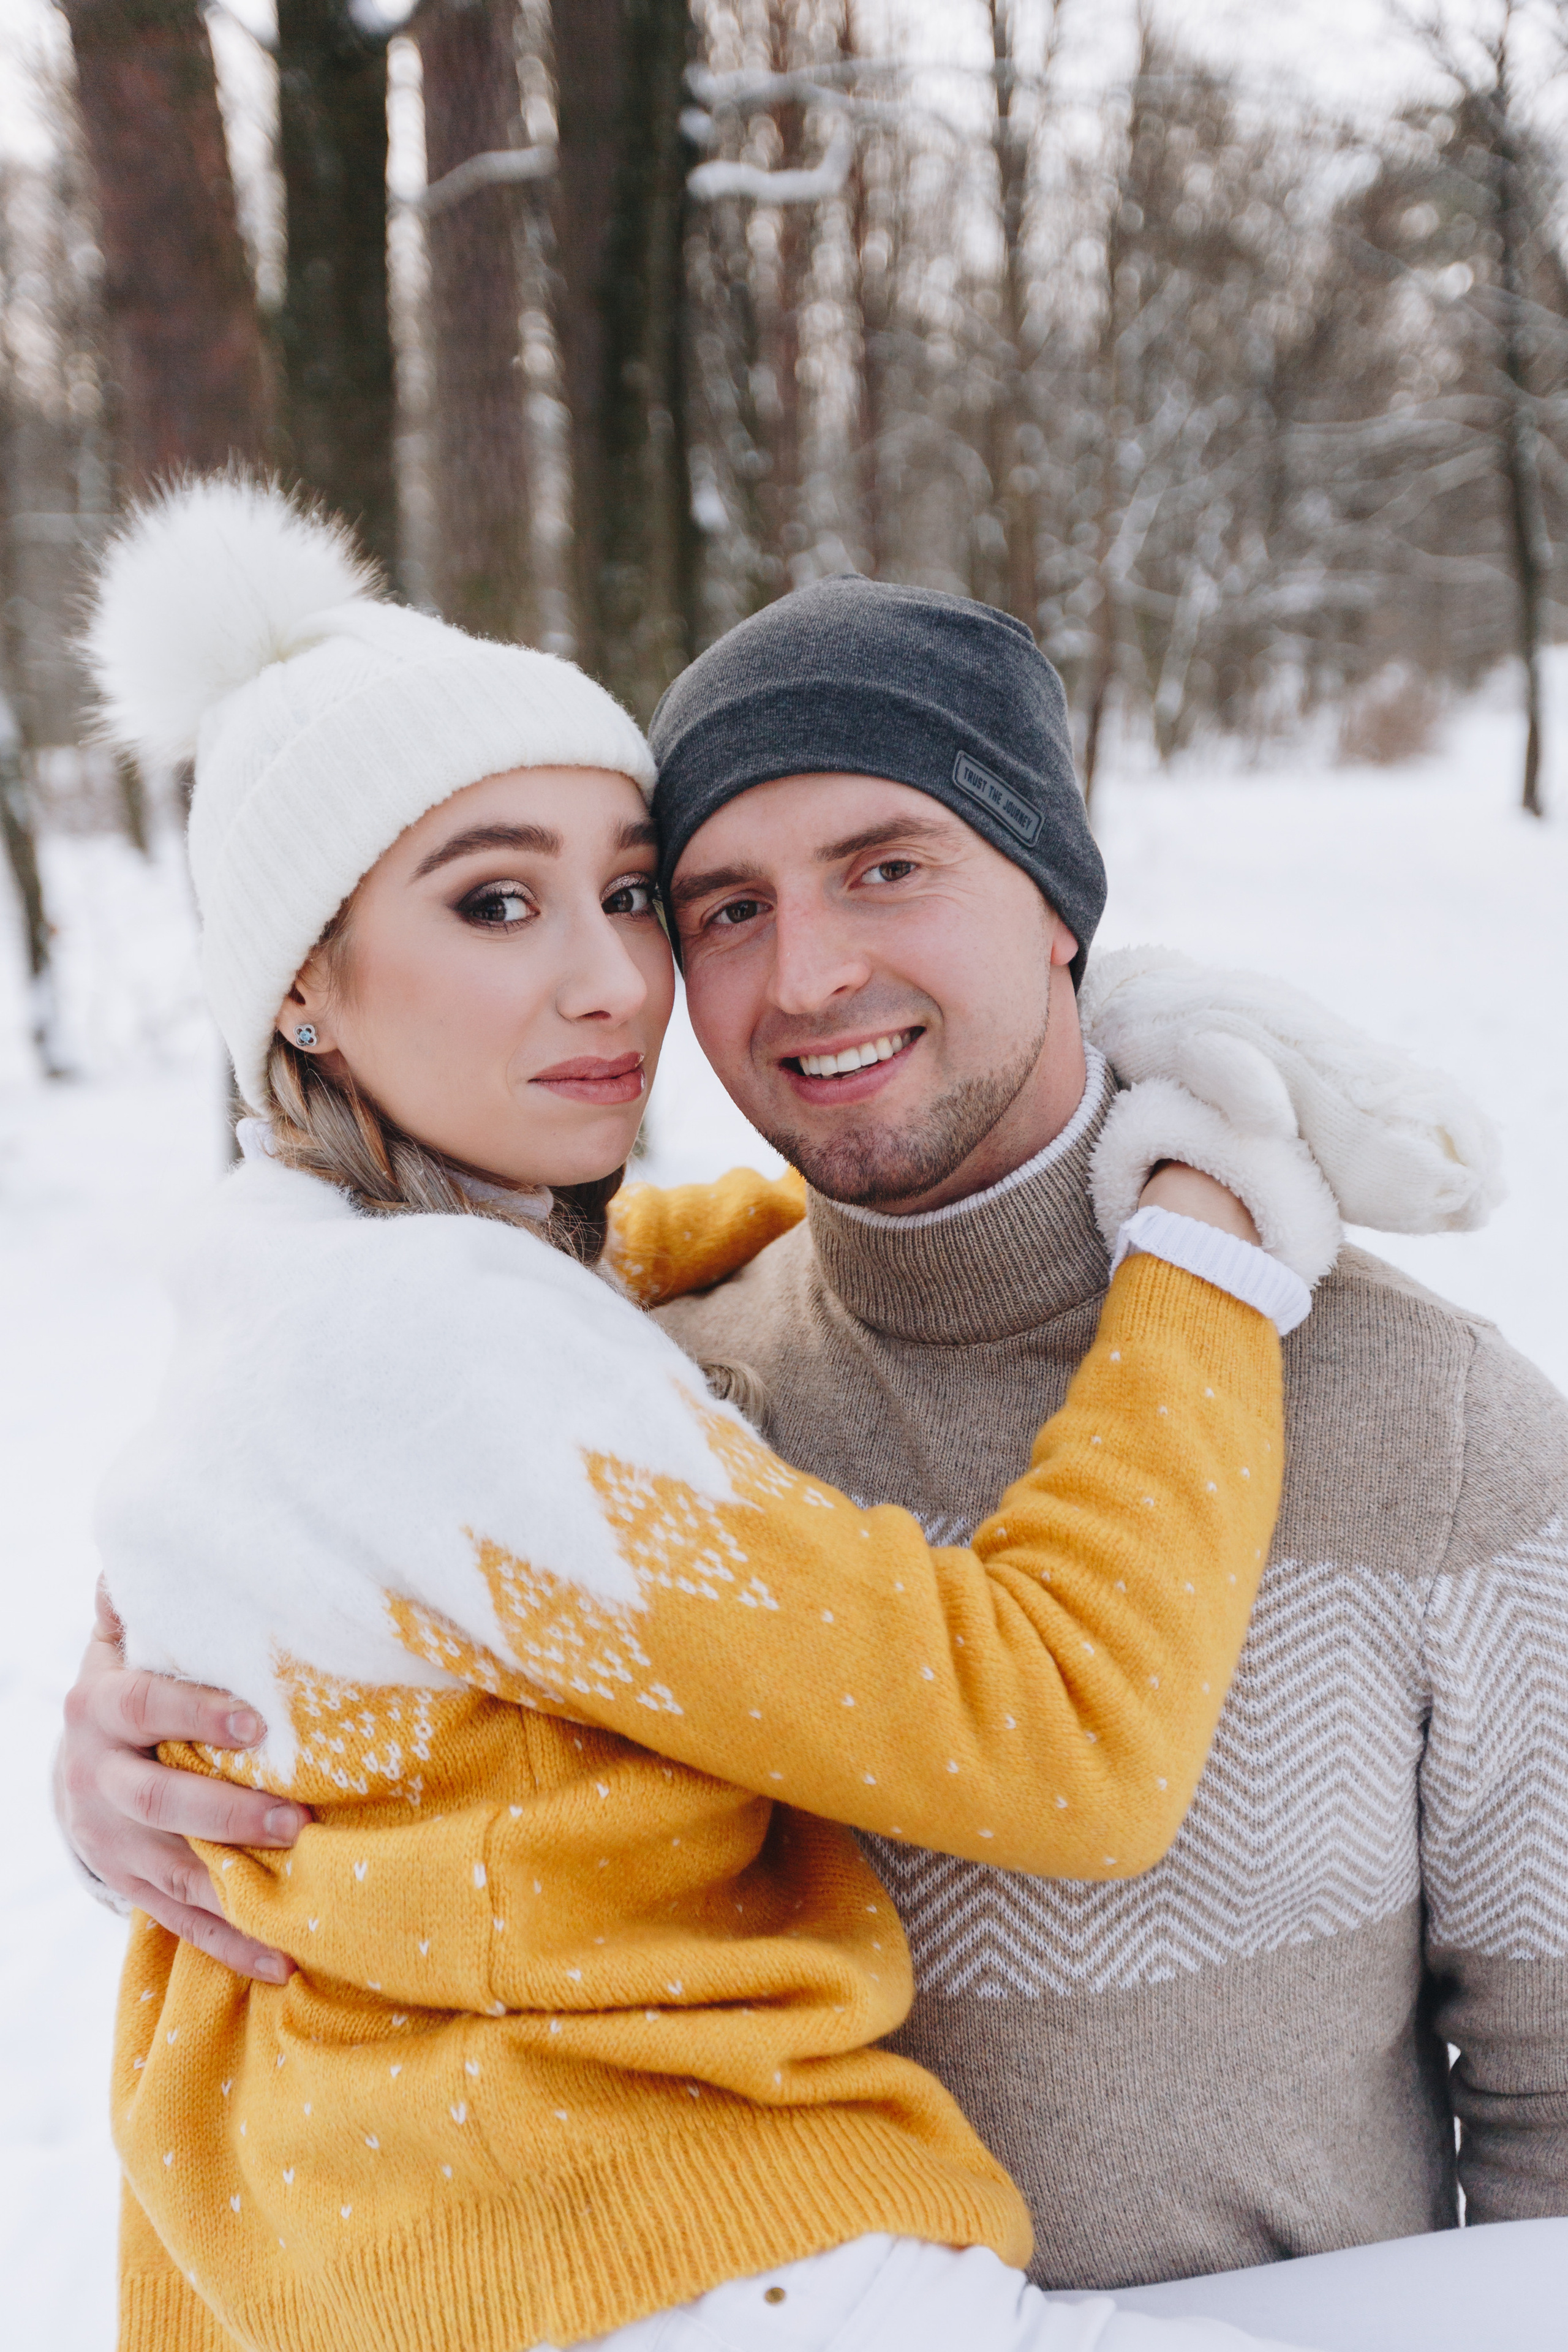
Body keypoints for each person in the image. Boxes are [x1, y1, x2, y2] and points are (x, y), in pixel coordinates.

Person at [74, 478, 1327, 2352]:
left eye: (633, 895)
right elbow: (1063, 1739)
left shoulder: (294, 1303)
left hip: (438, 2264)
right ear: (306, 989)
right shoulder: (455, 1372)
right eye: (494, 901)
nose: (612, 982)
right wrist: (1209, 1237)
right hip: (707, 2273)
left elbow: (560, 1297)